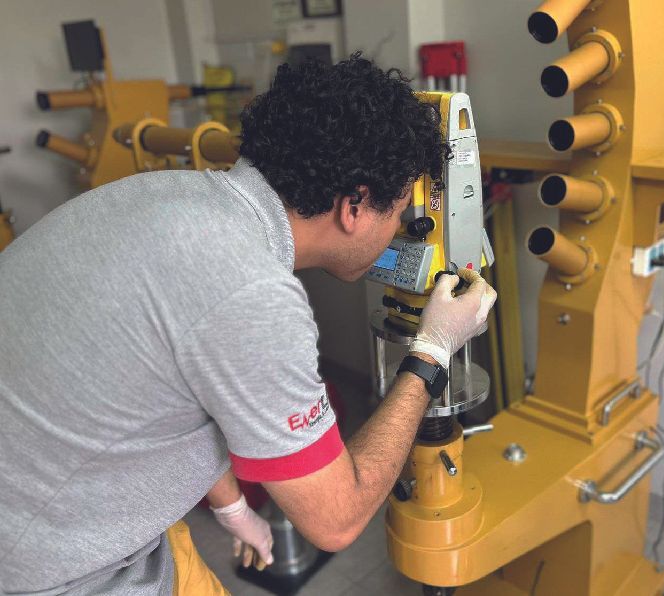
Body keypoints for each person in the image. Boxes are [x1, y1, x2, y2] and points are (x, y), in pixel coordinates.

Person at [0, 53, 496, 595]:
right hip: (55, 573)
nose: (399, 227)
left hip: (87, 513)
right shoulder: (252, 293)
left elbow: (166, 382)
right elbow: (337, 520)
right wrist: (433, 349)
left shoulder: (159, 195)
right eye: (398, 210)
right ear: (354, 204)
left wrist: (232, 505)